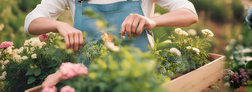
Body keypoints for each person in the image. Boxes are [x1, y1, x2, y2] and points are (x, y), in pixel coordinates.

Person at [25, 0, 198, 52]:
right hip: (90, 79)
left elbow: (189, 13)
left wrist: (152, 21)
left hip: (139, 76)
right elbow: (31, 22)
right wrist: (59, 25)